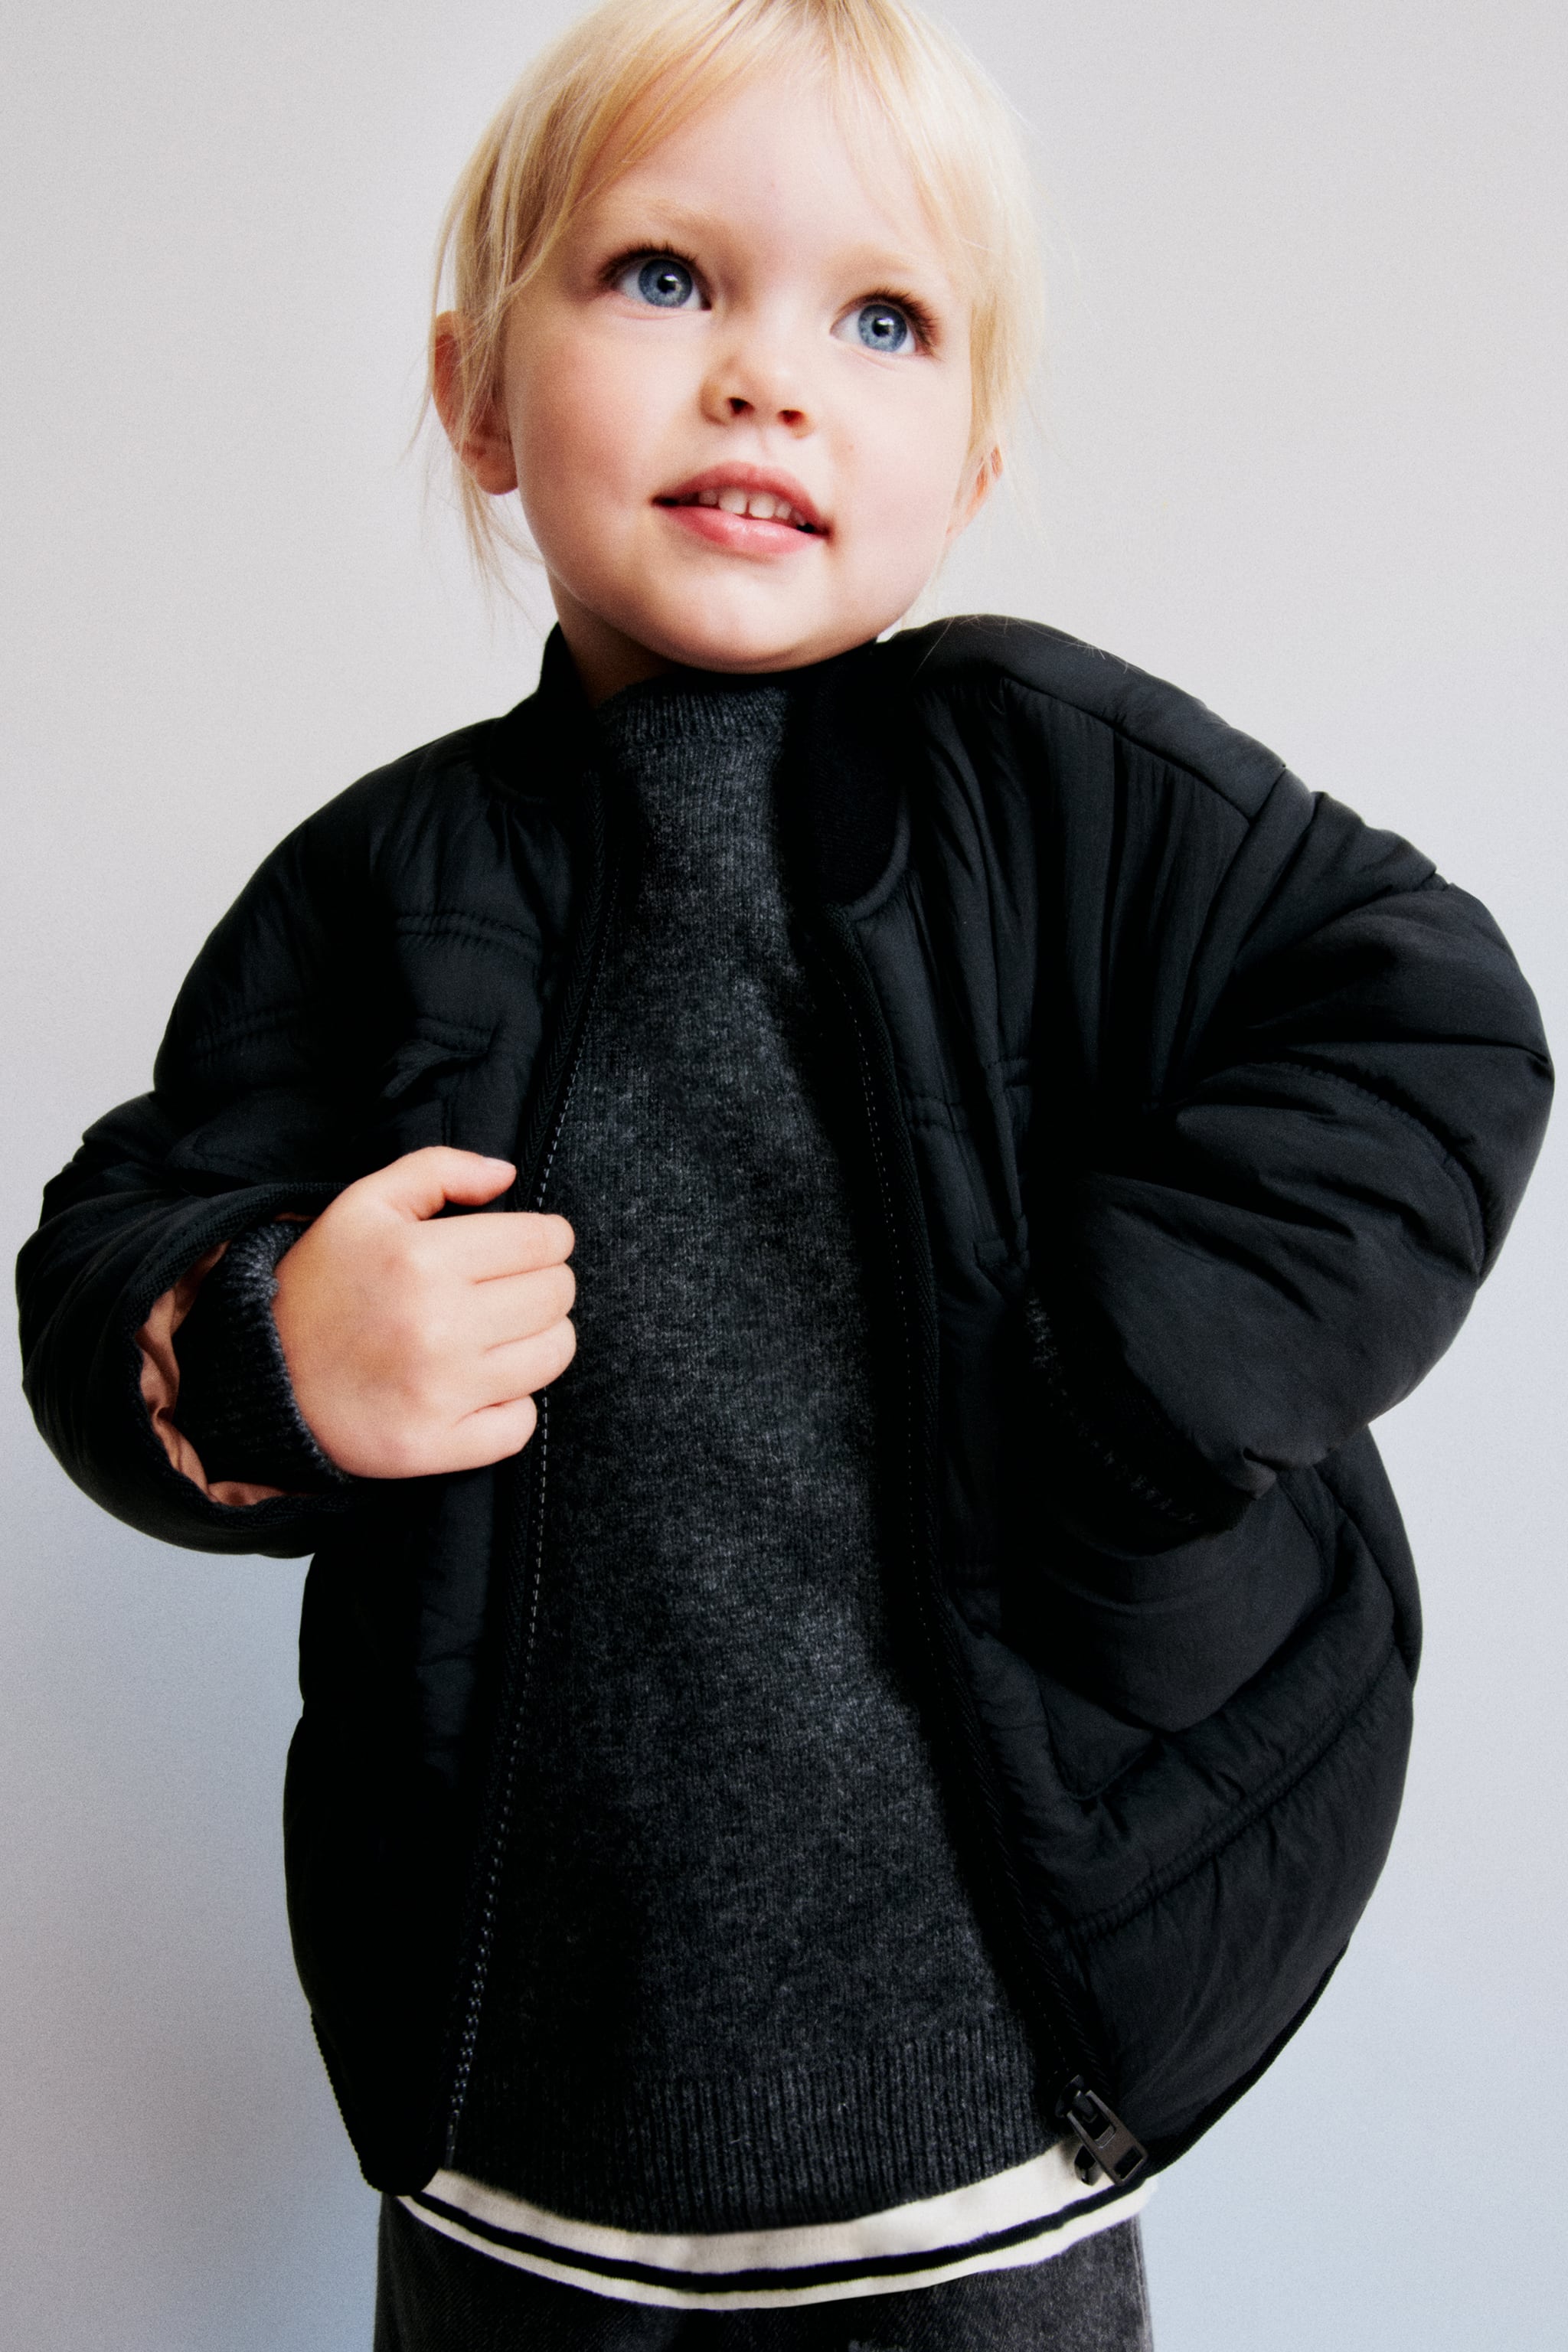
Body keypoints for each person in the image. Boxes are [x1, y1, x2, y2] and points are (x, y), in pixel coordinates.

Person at [15, 1, 1552, 2345]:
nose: (767, 379)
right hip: (520, 2135)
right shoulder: (377, 889)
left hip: (991, 2115)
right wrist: (263, 1341)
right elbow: (111, 1256)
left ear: (973, 458)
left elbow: (1424, 1014)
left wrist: (1135, 1384)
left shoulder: (1049, 782)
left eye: (882, 321)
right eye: (662, 277)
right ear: (474, 392)